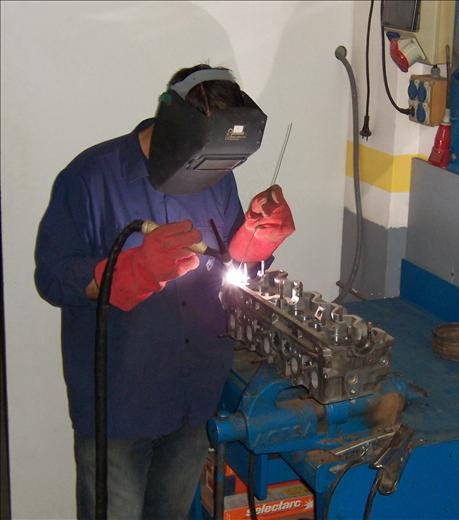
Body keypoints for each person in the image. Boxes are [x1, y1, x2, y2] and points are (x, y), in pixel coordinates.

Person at [34, 64, 295, 519]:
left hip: (194, 394)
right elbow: (52, 278)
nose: (212, 175)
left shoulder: (218, 176)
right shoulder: (90, 178)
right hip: (120, 404)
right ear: (171, 122)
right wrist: (124, 271)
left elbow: (228, 267)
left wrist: (255, 244)